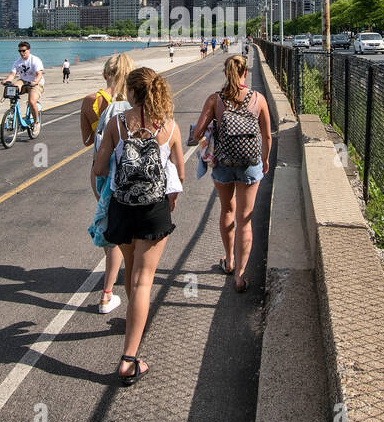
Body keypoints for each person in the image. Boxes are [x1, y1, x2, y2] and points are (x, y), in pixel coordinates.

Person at [93, 67, 185, 385]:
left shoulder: (118, 124)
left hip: (122, 207)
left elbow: (100, 166)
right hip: (153, 210)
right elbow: (179, 175)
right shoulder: (170, 126)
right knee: (144, 281)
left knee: (132, 277)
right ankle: (129, 358)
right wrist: (170, 200)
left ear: (131, 92)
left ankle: (134, 325)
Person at [191, 54, 271, 293]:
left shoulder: (215, 99)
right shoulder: (258, 99)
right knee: (245, 218)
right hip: (250, 163)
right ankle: (240, 275)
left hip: (224, 163)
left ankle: (229, 261)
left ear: (226, 73)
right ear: (245, 72)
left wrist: (210, 132)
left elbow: (197, 134)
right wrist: (265, 159)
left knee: (227, 210)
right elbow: (266, 136)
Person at [81, 53, 134, 314]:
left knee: (111, 227)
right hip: (130, 172)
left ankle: (108, 291)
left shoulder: (92, 101)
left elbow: (87, 140)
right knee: (130, 231)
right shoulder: (137, 103)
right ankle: (112, 291)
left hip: (100, 172)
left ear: (105, 75)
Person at [2, 41, 44, 125]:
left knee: (32, 102)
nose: (21, 53)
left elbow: (39, 74)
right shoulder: (17, 62)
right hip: (23, 81)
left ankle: (36, 123)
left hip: (35, 82)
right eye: (19, 51)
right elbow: (12, 74)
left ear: (29, 50)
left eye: (23, 50)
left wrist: (35, 82)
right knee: (13, 89)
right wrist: (6, 80)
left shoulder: (35, 60)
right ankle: (12, 112)